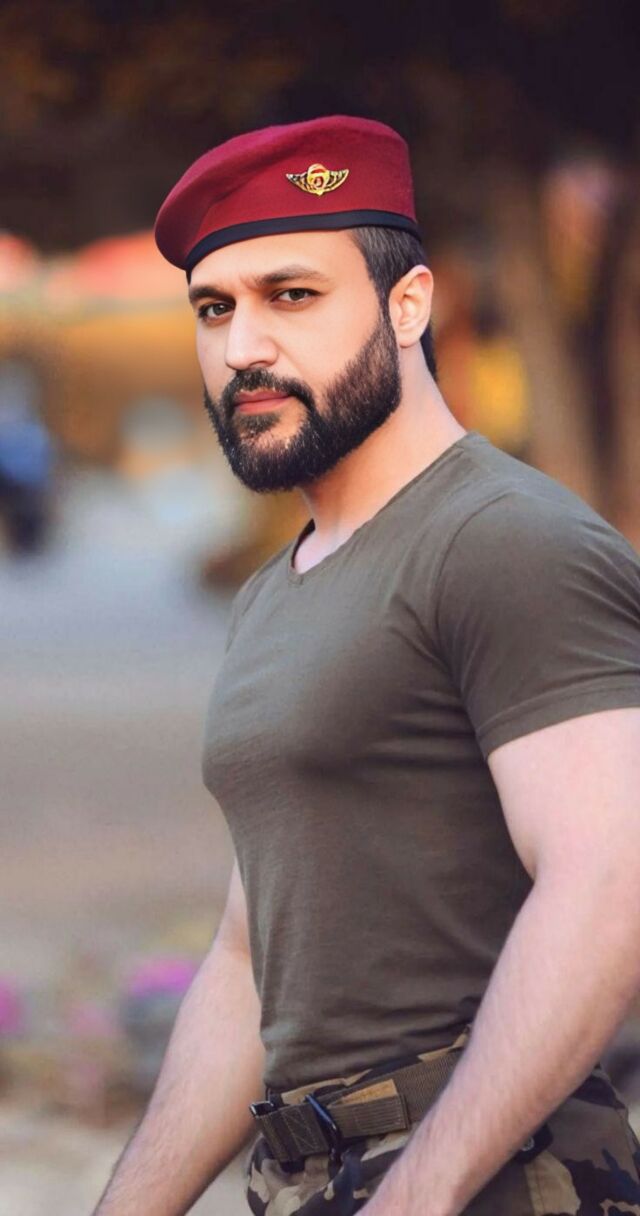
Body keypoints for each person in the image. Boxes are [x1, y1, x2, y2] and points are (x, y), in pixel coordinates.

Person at [92, 116, 640, 1216]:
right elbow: (250, 964)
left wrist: (416, 1196)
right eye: (215, 308)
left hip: (498, 1179)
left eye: (292, 295)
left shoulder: (502, 540)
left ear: (407, 305)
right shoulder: (275, 593)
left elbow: (611, 881)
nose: (243, 346)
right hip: (311, 1174)